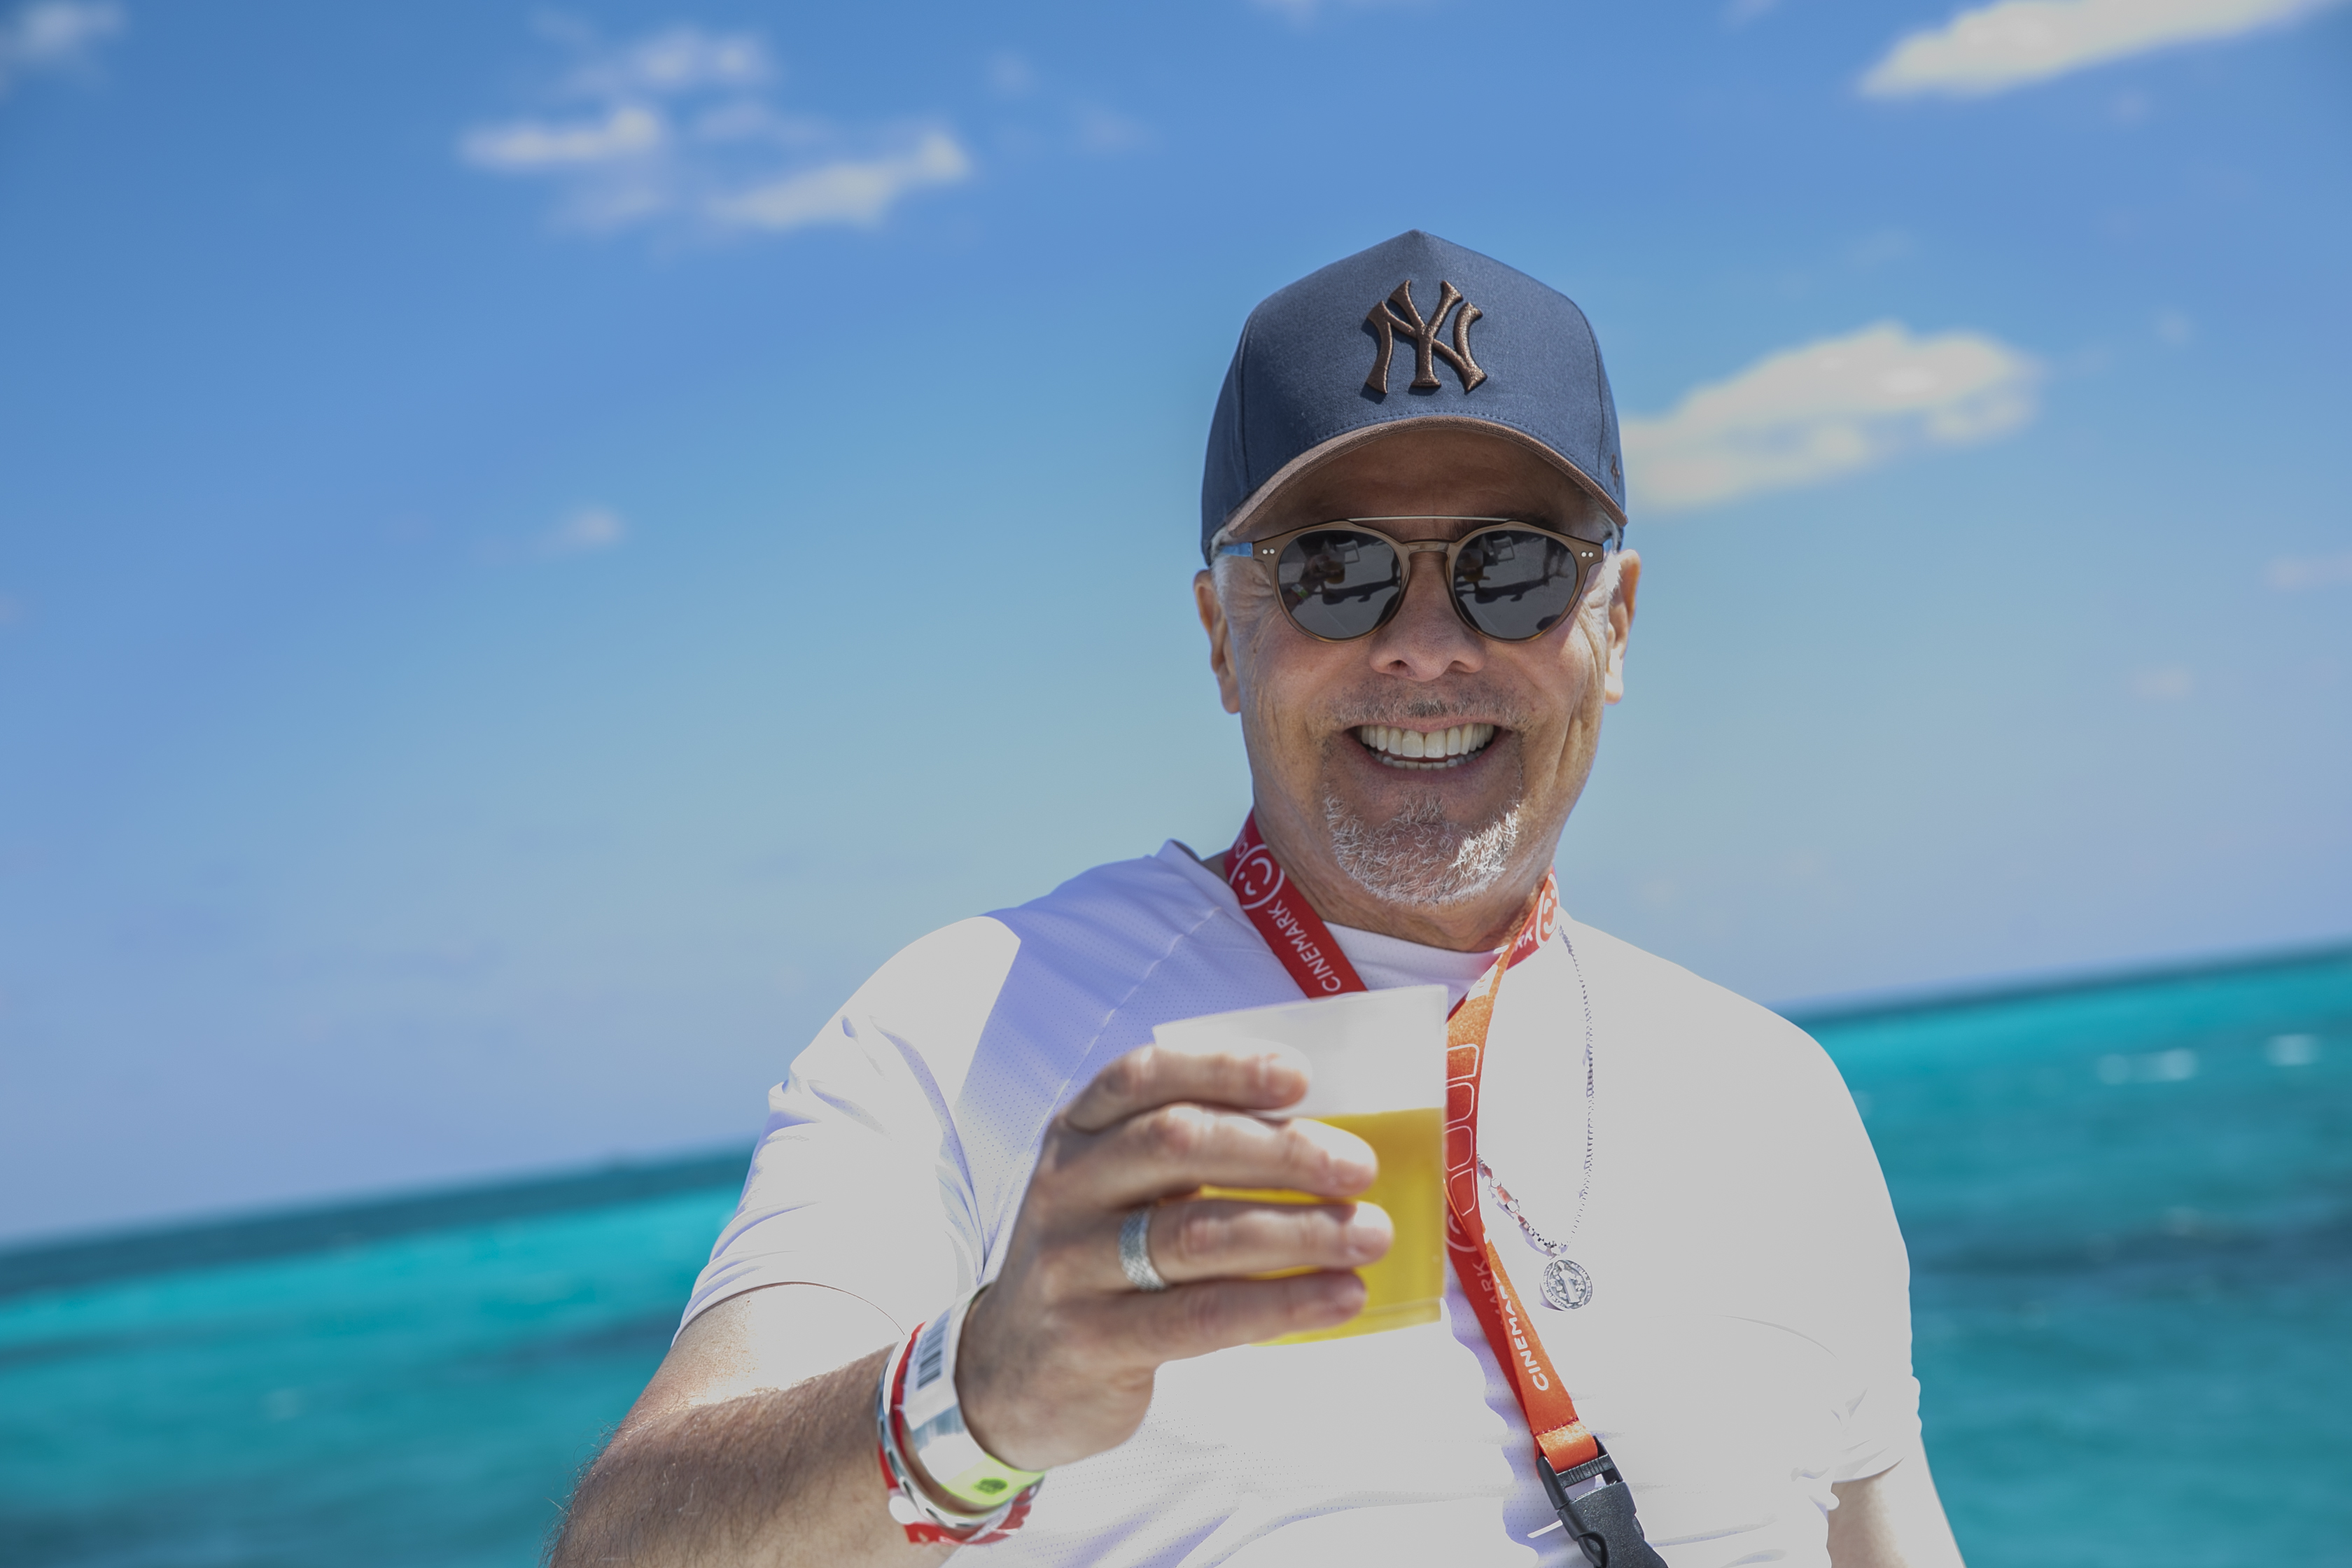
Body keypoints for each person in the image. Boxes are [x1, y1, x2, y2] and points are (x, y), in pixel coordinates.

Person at [550, 232, 1968, 1567]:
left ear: (1615, 624)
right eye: (1336, 573)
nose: (1426, 647)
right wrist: (976, 1399)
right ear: (1224, 637)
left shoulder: (1780, 1091)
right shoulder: (968, 1025)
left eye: (1512, 570)